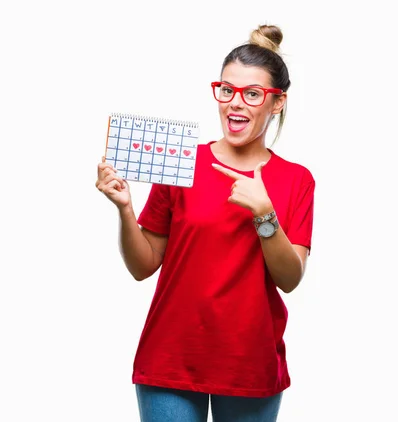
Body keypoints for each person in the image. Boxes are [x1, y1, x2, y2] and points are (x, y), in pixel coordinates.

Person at [95, 24, 315, 422]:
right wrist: (125, 209)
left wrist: (264, 214)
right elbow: (143, 266)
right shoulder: (182, 163)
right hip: (170, 359)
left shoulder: (297, 179)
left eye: (253, 94)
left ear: (277, 102)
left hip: (249, 363)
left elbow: (289, 278)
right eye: (227, 90)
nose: (236, 103)